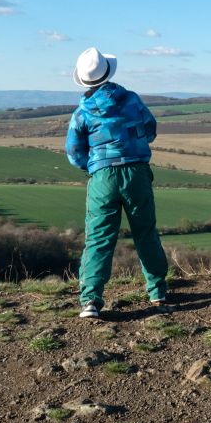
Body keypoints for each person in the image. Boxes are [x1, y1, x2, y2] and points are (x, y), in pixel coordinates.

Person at [65, 47, 169, 318]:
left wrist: (94, 165)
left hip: (103, 177)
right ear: (108, 72)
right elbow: (150, 130)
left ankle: (91, 300)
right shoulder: (132, 100)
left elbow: (74, 153)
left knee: (99, 238)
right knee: (145, 232)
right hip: (137, 173)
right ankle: (158, 290)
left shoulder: (82, 113)